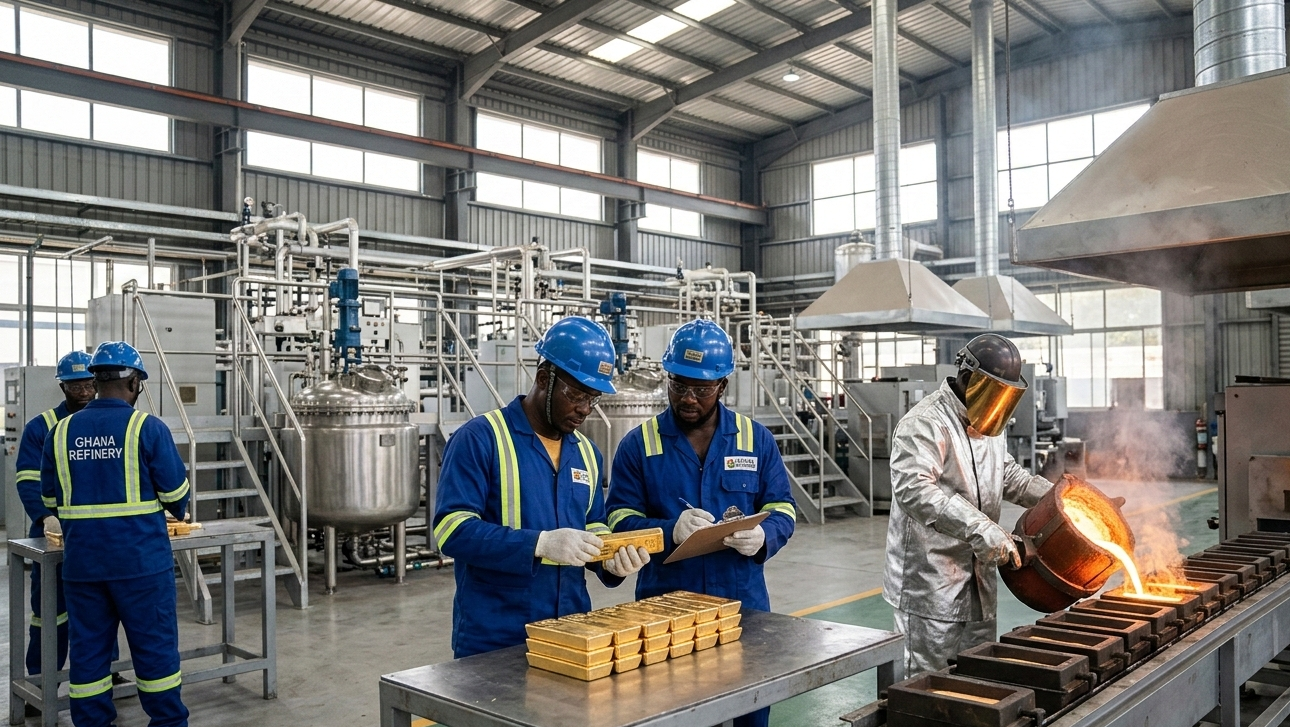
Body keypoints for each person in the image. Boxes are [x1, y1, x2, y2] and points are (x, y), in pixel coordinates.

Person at [605, 319, 796, 727]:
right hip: (667, 608)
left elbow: (783, 505)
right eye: (679, 385)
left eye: (702, 389)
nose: (688, 398)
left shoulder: (754, 439)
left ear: (723, 386)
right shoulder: (639, 445)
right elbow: (619, 519)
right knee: (674, 712)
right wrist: (668, 528)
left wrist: (764, 535)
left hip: (742, 604)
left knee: (750, 706)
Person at [433, 317, 650, 658]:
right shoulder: (481, 439)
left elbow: (592, 526)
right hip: (496, 635)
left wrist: (610, 561)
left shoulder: (587, 454)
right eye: (577, 394)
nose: (584, 409)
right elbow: (451, 530)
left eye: (593, 399)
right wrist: (540, 543)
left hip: (573, 629)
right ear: (544, 378)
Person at [882, 333, 1054, 676]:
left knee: (978, 677)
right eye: (994, 392)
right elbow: (916, 491)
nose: (998, 403)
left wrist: (1059, 499)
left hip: (979, 581)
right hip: (931, 585)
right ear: (967, 378)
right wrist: (982, 529)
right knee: (928, 685)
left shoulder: (989, 422)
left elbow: (1005, 475)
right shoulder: (924, 423)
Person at [40, 341, 191, 727]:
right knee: (154, 651)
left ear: (95, 380)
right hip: (141, 564)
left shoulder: (59, 433)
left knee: (89, 653)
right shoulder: (147, 427)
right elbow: (176, 497)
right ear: (135, 382)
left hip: (83, 565)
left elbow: (50, 499)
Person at [14, 351, 95, 679]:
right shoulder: (42, 427)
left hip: (96, 534)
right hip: (54, 534)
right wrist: (45, 516)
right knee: (49, 611)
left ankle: (108, 671)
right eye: (76, 386)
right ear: (62, 386)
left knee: (98, 609)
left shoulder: (110, 425)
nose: (85, 393)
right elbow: (27, 479)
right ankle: (40, 678)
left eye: (90, 384)